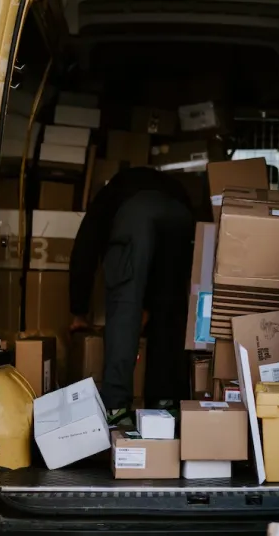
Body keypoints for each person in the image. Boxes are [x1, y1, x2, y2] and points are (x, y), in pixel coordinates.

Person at [69, 167, 194, 424]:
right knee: (171, 309)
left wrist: (79, 311)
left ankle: (116, 408)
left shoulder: (110, 196)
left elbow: (85, 250)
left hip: (138, 215)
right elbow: (155, 273)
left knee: (124, 308)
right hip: (182, 216)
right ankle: (165, 404)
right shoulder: (170, 186)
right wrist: (148, 306)